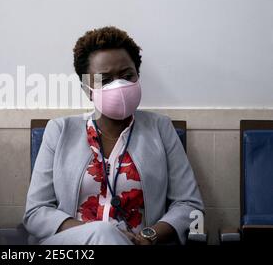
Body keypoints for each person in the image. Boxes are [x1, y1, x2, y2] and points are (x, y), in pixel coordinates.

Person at [23, 26, 204, 245]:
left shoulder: (160, 128)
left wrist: (149, 236)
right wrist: (98, 232)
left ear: (138, 77)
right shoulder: (59, 130)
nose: (119, 85)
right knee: (104, 234)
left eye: (127, 76)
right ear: (87, 89)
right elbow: (36, 212)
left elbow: (189, 205)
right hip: (71, 245)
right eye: (105, 80)